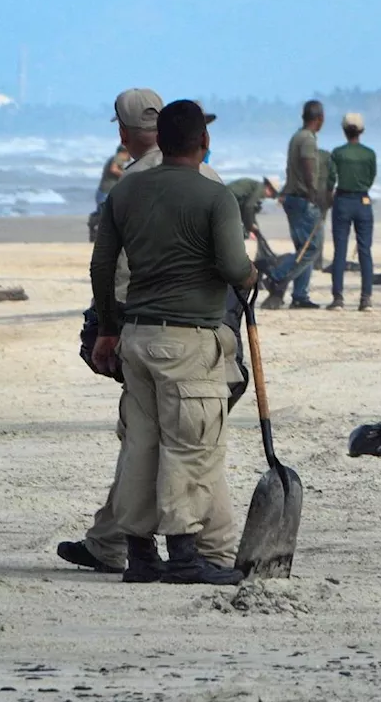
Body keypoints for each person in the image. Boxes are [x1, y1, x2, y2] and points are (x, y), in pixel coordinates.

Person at [59, 88, 245, 578]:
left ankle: (135, 553)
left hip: (135, 333)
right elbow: (231, 264)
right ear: (203, 139)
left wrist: (109, 327)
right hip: (191, 334)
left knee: (142, 445)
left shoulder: (125, 189)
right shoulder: (212, 188)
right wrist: (246, 287)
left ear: (128, 136)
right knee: (194, 444)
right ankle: (197, 554)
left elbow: (105, 267)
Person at [264, 101, 330, 310]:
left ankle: (300, 295)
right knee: (312, 248)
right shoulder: (308, 139)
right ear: (318, 118)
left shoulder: (297, 137)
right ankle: (276, 276)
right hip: (302, 199)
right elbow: (308, 166)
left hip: (293, 197)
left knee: (302, 249)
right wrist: (315, 193)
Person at [326, 113, 377, 311]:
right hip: (363, 200)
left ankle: (338, 297)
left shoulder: (338, 153)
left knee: (340, 250)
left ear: (344, 130)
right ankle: (366, 298)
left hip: (343, 200)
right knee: (365, 251)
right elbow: (371, 177)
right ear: (361, 131)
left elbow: (331, 178)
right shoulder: (369, 154)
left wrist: (329, 194)